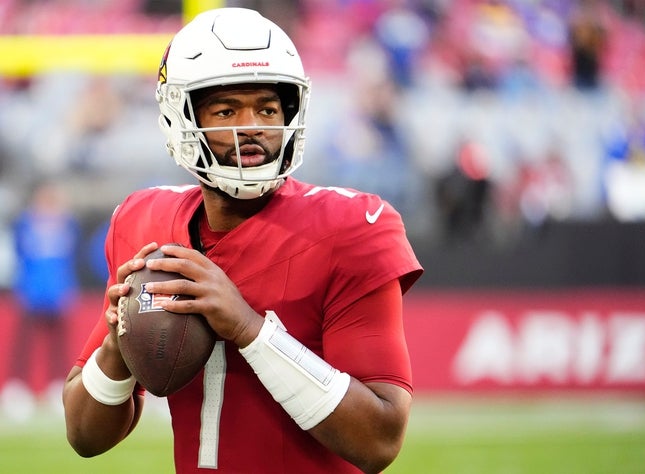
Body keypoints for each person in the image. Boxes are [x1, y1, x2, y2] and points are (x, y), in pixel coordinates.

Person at [63, 8, 422, 474]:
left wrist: (249, 328)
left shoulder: (352, 226)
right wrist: (118, 346)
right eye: (227, 110)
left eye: (268, 109)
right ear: (181, 116)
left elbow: (380, 440)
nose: (252, 125)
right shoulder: (143, 221)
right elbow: (83, 435)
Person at [8, 181, 79, 401]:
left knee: (59, 346)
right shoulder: (24, 223)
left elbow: (71, 259)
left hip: (57, 292)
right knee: (24, 345)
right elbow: (19, 255)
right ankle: (18, 387)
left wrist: (67, 290)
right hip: (31, 292)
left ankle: (58, 385)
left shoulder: (68, 224)